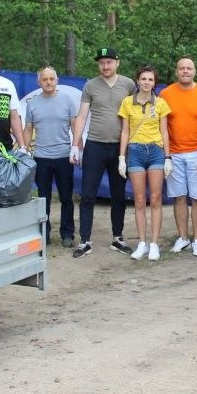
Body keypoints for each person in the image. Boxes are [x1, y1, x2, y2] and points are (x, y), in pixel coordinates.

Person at [71, 48, 137, 258]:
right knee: (88, 194)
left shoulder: (128, 84)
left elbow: (136, 113)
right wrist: (75, 144)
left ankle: (118, 238)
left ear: (117, 62)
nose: (105, 66)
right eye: (102, 63)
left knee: (118, 195)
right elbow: (81, 116)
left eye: (109, 62)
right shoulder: (90, 85)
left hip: (120, 147)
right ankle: (85, 241)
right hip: (95, 146)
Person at [160, 57, 197, 255]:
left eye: (188, 68)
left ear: (194, 71)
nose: (185, 71)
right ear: (176, 71)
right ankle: (183, 238)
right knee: (179, 198)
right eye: (181, 68)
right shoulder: (165, 94)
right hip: (173, 154)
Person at [117, 66, 171, 261]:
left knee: (155, 199)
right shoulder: (126, 103)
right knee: (139, 200)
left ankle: (154, 244)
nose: (147, 82)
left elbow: (164, 131)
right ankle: (142, 243)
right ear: (137, 81)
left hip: (156, 151)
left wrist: (167, 157)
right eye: (143, 79)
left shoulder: (161, 103)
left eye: (150, 79)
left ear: (155, 83)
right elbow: (124, 131)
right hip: (136, 151)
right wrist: (122, 157)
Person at [22, 66, 79, 246]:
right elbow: (28, 128)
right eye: (44, 79)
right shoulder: (32, 103)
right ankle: (43, 234)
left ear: (57, 80)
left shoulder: (67, 100)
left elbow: (75, 125)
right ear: (39, 82)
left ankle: (67, 234)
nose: (48, 82)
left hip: (63, 156)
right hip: (41, 157)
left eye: (51, 79)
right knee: (43, 198)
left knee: (66, 198)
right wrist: (24, 150)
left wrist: (76, 147)